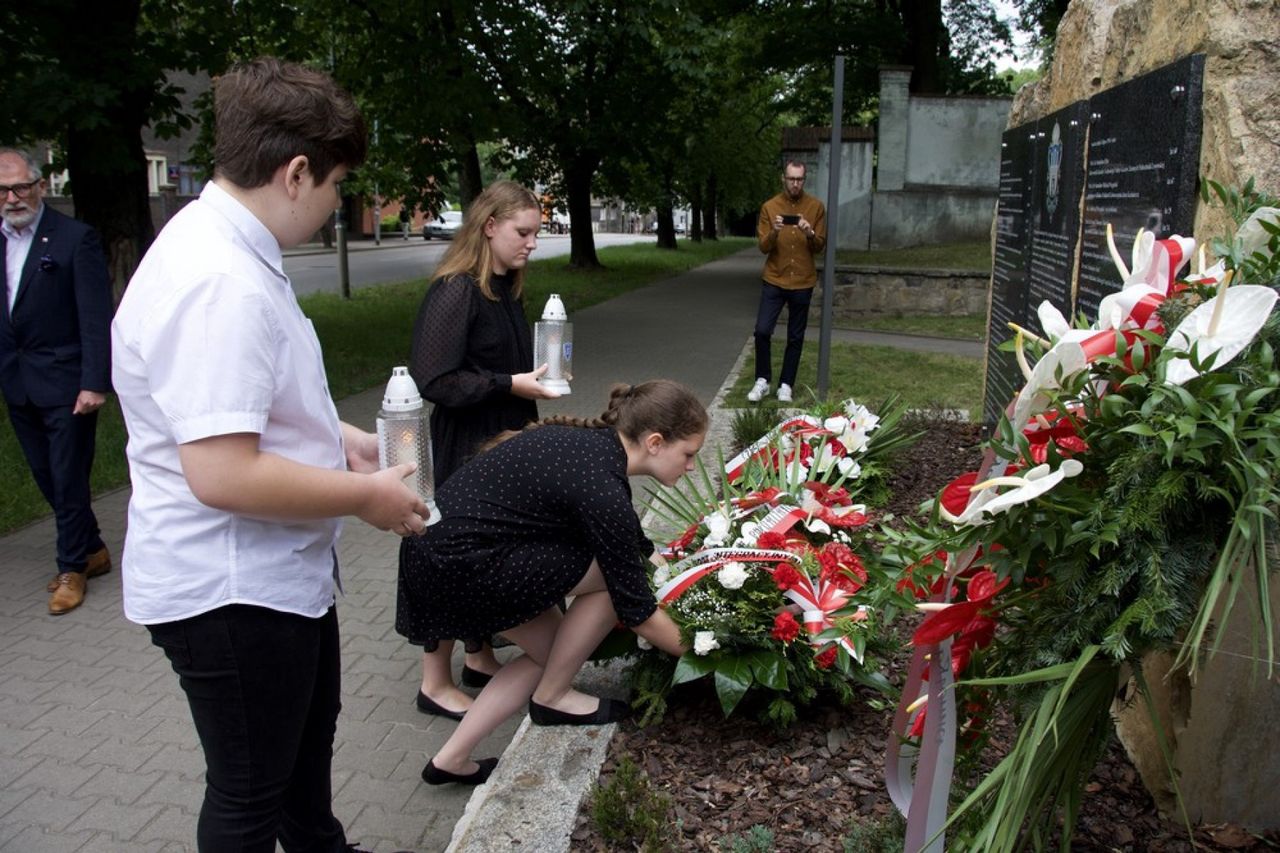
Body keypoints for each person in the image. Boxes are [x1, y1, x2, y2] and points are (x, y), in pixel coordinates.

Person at [111, 57, 427, 852]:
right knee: (250, 793)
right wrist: (362, 497)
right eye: (334, 191)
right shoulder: (219, 280)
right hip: (231, 592)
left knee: (297, 767)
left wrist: (344, 442)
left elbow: (250, 411)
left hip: (275, 581)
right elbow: (220, 471)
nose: (331, 212)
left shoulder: (229, 246)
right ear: (294, 174)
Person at [396, 380, 702, 785]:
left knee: (554, 654)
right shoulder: (602, 484)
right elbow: (639, 611)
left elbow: (625, 535)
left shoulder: (591, 447)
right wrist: (705, 653)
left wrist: (662, 562)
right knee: (612, 584)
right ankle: (553, 698)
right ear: (656, 442)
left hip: (433, 555)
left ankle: (451, 758)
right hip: (462, 566)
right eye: (689, 454)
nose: (692, 466)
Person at [404, 179, 560, 720]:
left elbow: (506, 365)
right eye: (523, 232)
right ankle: (433, 681)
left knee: (492, 544)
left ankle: (480, 654)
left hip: (502, 434)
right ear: (489, 225)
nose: (531, 244)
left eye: (536, 234)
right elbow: (435, 380)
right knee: (450, 547)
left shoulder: (504, 285)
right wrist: (508, 385)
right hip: (466, 441)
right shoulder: (456, 290)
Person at [0, 147, 114, 615]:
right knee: (45, 475)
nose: (12, 198)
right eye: (3, 190)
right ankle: (93, 549)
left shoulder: (73, 239)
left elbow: (94, 316)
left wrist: (95, 382)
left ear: (40, 186)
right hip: (17, 381)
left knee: (68, 478)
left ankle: (72, 567)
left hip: (67, 383)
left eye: (20, 187)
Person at [747, 160, 827, 404]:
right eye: (791, 179)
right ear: (784, 178)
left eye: (799, 179)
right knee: (762, 330)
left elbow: (819, 246)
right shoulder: (770, 207)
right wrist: (774, 231)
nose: (795, 184)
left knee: (795, 336)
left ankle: (786, 384)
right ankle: (762, 379)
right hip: (775, 278)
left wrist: (809, 232)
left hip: (803, 280)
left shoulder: (815, 207)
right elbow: (762, 247)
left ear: (804, 180)